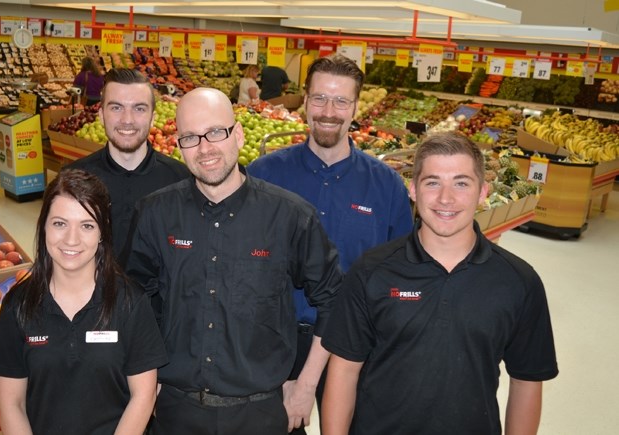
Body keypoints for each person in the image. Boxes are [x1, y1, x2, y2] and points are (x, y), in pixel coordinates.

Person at [123, 87, 342, 435]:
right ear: (178, 145)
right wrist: (144, 379)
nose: (205, 148)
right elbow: (132, 302)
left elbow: (334, 301)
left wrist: (305, 385)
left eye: (215, 132)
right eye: (190, 138)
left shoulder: (290, 217)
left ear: (238, 135)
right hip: (175, 411)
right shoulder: (154, 214)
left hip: (261, 414)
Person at [321, 132, 559, 435]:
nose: (446, 198)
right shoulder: (372, 271)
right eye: (432, 182)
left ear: (483, 192)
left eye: (461, 183)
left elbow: (526, 380)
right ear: (413, 190)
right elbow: (343, 370)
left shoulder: (518, 282)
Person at [247, 53, 413, 434]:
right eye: (320, 98)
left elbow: (400, 273)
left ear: (356, 107)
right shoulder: (262, 176)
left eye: (341, 101)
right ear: (304, 100)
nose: (328, 111)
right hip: (273, 341)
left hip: (354, 345)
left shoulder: (386, 186)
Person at [0, 169, 167, 434]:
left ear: (102, 232)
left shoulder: (131, 302)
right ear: (43, 225)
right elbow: (12, 404)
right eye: (60, 223)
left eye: (87, 225)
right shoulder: (19, 304)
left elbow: (144, 395)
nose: (72, 239)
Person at [66, 68, 190, 262]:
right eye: (116, 108)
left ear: (153, 117)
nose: (127, 120)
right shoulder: (73, 179)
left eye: (139, 108)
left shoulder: (181, 180)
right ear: (101, 115)